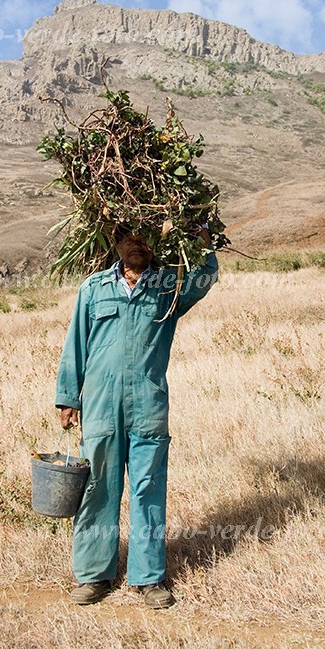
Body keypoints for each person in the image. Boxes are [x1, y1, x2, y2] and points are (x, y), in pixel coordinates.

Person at [55, 228, 218, 608]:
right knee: (98, 488)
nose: (136, 245)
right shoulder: (94, 289)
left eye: (145, 237)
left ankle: (149, 579)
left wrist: (206, 244)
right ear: (116, 243)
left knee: (148, 488)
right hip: (100, 406)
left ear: (154, 244)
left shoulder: (166, 288)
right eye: (128, 238)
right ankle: (94, 575)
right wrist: (67, 398)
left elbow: (205, 280)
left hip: (147, 405)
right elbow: (75, 343)